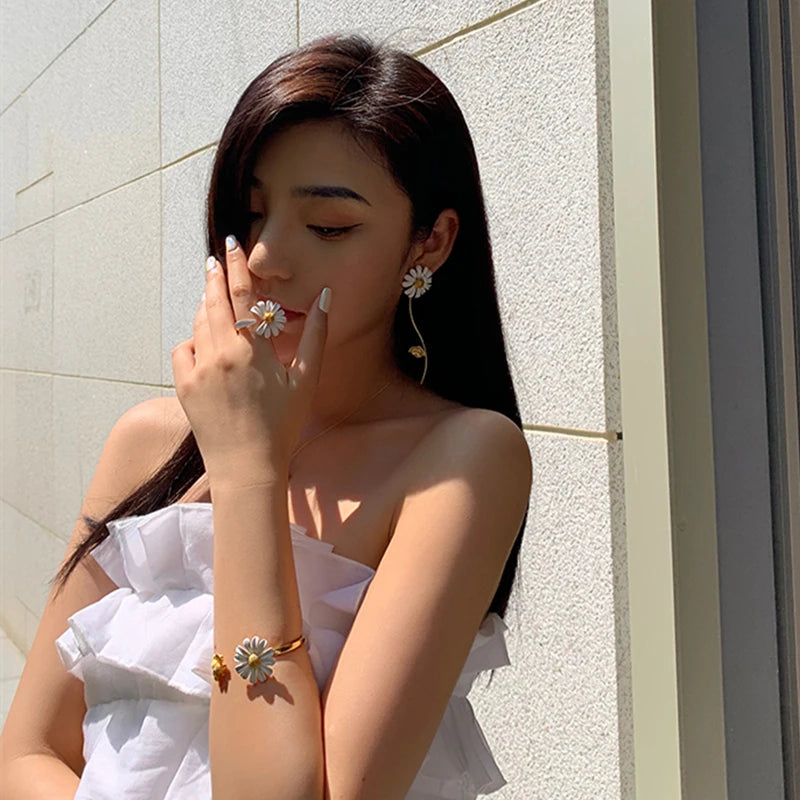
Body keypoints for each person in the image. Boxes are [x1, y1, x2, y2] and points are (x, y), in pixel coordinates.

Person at [0, 32, 532, 799]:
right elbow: (26, 753)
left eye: (328, 226)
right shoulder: (151, 441)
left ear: (431, 242)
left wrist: (249, 470)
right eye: (251, 215)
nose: (265, 258)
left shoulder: (462, 459)